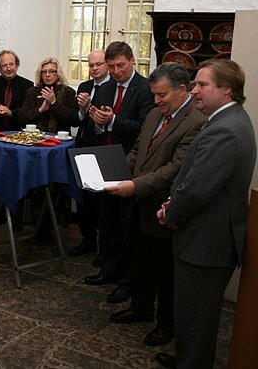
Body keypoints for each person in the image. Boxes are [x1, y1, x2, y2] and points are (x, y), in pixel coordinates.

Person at [154, 59, 256, 369]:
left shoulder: (225, 129)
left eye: (202, 85)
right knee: (192, 314)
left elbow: (198, 188)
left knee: (197, 317)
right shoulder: (226, 119)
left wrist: (171, 212)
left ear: (227, 89)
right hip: (205, 235)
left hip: (206, 242)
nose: (194, 90)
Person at [104, 63, 206, 348]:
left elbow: (176, 168)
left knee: (165, 271)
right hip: (137, 203)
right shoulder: (152, 114)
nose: (157, 100)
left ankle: (166, 324)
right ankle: (141, 308)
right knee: (140, 260)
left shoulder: (196, 122)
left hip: (163, 208)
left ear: (182, 90)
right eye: (154, 95)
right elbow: (138, 151)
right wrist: (117, 172)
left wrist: (135, 185)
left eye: (162, 95)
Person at [83, 41, 154, 306]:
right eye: (111, 66)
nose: (115, 71)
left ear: (133, 61)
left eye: (120, 65)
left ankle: (126, 281)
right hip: (106, 161)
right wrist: (100, 124)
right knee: (107, 221)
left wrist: (112, 121)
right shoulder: (107, 86)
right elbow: (98, 125)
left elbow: (145, 129)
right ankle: (108, 271)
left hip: (131, 165)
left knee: (126, 226)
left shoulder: (145, 89)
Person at [67, 49, 112, 258]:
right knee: (84, 198)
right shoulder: (85, 87)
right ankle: (87, 240)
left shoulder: (114, 87)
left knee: (102, 203)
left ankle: (104, 248)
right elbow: (76, 120)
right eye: (91, 65)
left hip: (103, 149)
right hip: (83, 146)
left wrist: (95, 114)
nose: (94, 69)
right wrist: (83, 110)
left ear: (107, 64)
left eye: (98, 64)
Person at [0, 49, 32, 228]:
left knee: (17, 177)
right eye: (4, 65)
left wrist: (11, 112)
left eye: (11, 64)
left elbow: (27, 112)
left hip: (19, 138)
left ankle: (16, 217)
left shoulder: (28, 85)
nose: (8, 68)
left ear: (16, 64)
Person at [19, 57, 77, 133]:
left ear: (58, 73)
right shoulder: (32, 92)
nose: (47, 75)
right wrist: (40, 110)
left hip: (60, 139)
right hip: (35, 137)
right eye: (44, 72)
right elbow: (22, 118)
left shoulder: (68, 92)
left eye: (52, 71)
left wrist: (54, 102)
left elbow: (73, 120)